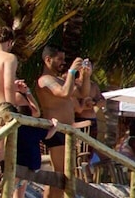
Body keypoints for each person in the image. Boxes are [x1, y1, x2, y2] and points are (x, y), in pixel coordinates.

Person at [33, 45, 89, 198]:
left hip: (67, 131)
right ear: (48, 60)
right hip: (55, 131)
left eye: (64, 59)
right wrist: (71, 72)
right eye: (60, 59)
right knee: (60, 174)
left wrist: (85, 75)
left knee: (65, 174)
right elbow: (63, 93)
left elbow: (83, 93)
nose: (63, 62)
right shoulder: (45, 80)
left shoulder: (60, 80)